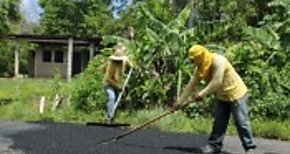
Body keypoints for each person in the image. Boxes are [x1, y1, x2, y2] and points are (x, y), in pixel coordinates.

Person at [172, 45, 256, 154]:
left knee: (241, 122)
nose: (192, 62)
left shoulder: (218, 61)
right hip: (222, 96)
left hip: (236, 94)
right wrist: (179, 102)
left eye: (193, 60)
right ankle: (214, 146)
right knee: (219, 123)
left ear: (200, 56)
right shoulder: (201, 68)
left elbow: (217, 82)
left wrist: (202, 93)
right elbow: (191, 85)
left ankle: (249, 148)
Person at [103, 43, 133, 124]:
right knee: (112, 97)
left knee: (116, 101)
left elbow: (130, 65)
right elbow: (108, 79)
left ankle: (112, 119)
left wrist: (131, 67)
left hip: (118, 84)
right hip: (109, 84)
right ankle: (109, 116)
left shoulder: (124, 61)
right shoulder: (111, 65)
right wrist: (117, 86)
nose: (118, 61)